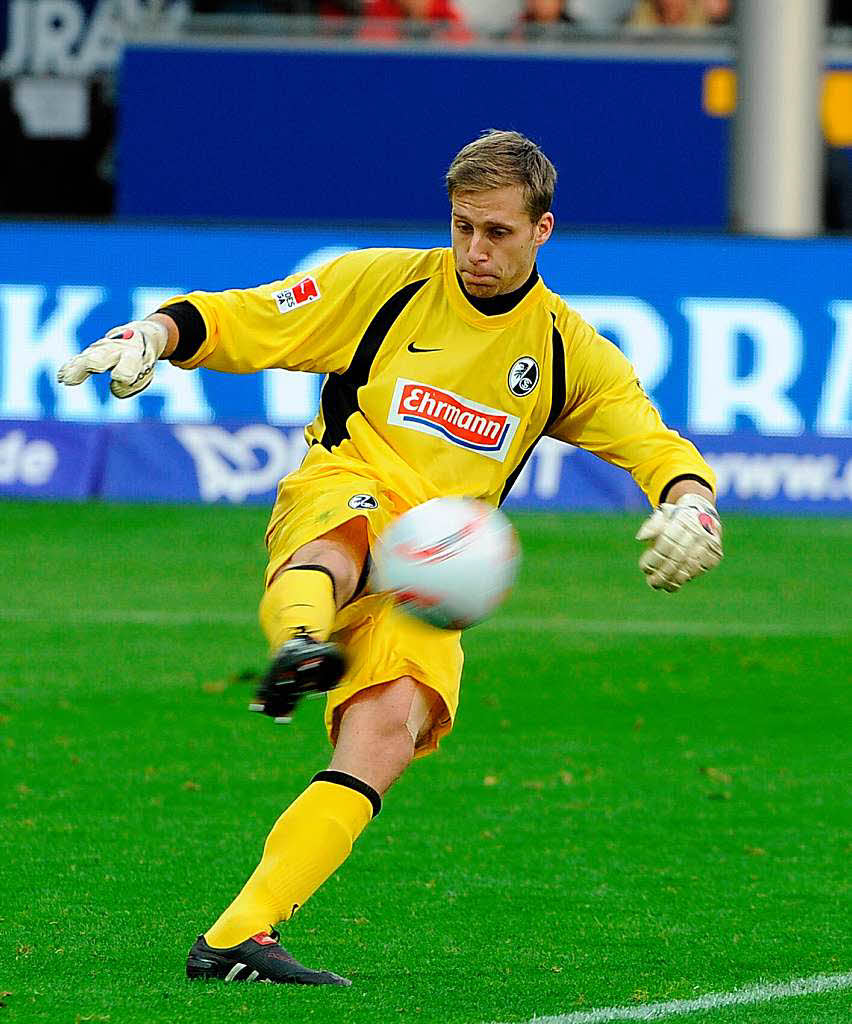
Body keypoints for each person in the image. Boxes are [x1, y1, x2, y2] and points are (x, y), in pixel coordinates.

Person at [57, 129, 723, 986]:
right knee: (351, 539)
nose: (475, 251)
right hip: (346, 486)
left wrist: (690, 501)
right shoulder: (380, 284)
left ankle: (236, 940)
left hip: (440, 566)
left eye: (498, 233)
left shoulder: (564, 351)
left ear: (542, 231)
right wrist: (153, 332)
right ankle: (301, 642)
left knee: (389, 732)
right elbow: (249, 316)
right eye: (462, 227)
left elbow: (648, 438)